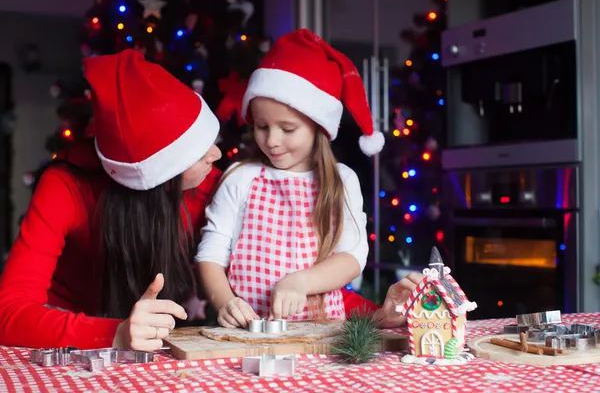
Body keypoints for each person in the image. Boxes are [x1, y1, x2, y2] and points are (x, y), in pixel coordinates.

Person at [0, 49, 419, 351]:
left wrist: (378, 315)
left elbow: (290, 281)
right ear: (159, 175)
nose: (217, 155)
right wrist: (113, 333)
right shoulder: (65, 188)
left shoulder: (212, 185)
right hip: (63, 350)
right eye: (198, 151)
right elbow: (9, 314)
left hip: (156, 351)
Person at [196, 29, 389, 328]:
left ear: (318, 127)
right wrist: (225, 301)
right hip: (249, 333)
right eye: (261, 126)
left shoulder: (341, 181)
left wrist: (301, 282)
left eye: (287, 129)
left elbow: (352, 257)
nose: (271, 140)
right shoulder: (239, 178)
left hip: (323, 332)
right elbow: (211, 252)